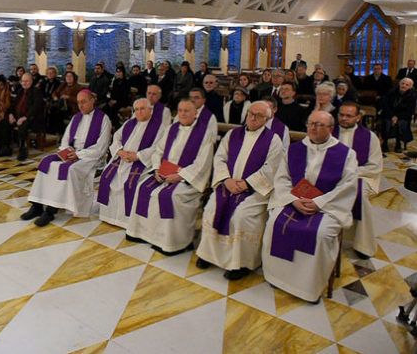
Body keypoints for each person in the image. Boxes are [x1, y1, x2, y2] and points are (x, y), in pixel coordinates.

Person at [261, 110, 357, 303]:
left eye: (319, 125)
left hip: (328, 207)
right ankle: (277, 277)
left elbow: (347, 185)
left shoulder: (346, 154)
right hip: (293, 201)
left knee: (320, 235)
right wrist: (292, 200)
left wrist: (318, 203)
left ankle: (308, 288)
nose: (313, 128)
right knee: (274, 224)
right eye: (311, 123)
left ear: (330, 128)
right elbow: (282, 178)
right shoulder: (294, 149)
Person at [196, 101, 283, 280]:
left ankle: (241, 263)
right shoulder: (233, 134)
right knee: (211, 209)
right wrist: (226, 180)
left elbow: (271, 168)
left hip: (254, 191)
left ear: (268, 118)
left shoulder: (273, 140)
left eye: (258, 115)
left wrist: (247, 184)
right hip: (227, 185)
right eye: (251, 113)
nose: (252, 117)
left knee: (241, 216)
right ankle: (208, 254)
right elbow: (220, 158)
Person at [126, 98, 216, 254]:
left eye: (187, 110)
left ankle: (172, 242)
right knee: (142, 188)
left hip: (186, 178)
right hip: (164, 173)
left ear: (196, 113)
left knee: (169, 196)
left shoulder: (205, 134)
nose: (182, 113)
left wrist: (180, 176)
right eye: (180, 110)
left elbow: (202, 164)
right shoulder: (171, 129)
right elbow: (158, 151)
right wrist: (156, 169)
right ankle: (144, 234)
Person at [24, 90, 111, 226]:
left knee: (65, 169)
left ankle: (51, 211)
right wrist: (67, 151)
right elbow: (65, 138)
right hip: (71, 152)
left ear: (92, 100)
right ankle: (37, 205)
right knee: (46, 163)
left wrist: (78, 155)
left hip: (90, 157)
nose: (80, 106)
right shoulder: (76, 117)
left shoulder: (103, 119)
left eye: (84, 102)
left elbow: (102, 147)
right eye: (78, 103)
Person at [97, 99, 164, 228]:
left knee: (130, 183)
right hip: (122, 159)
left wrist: (137, 156)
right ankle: (108, 216)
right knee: (108, 177)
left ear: (150, 110)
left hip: (141, 163)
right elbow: (116, 137)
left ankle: (126, 221)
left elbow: (157, 147)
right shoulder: (129, 123)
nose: (139, 112)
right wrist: (119, 151)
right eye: (136, 109)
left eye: (142, 108)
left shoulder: (159, 127)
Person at [334, 102, 381, 259]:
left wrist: (349, 173)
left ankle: (362, 244)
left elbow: (374, 166)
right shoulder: (328, 132)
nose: (344, 119)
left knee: (360, 198)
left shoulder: (370, 137)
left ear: (358, 117)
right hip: (330, 175)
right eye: (341, 115)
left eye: (349, 116)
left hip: (360, 176)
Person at [1, 73, 45, 161]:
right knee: (4, 122)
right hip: (18, 117)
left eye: (27, 81)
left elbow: (35, 107)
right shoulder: (20, 90)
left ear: (31, 81)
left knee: (23, 125)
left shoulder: (36, 91)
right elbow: (13, 105)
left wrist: (25, 117)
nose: (24, 83)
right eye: (23, 81)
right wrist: (10, 114)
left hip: (32, 119)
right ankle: (6, 147)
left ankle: (23, 150)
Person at [381, 77, 417, 152]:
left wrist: (397, 117)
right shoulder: (391, 92)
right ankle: (385, 142)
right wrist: (392, 116)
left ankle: (398, 143)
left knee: (400, 123)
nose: (404, 86)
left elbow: (409, 111)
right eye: (402, 83)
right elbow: (385, 105)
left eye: (407, 85)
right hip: (389, 114)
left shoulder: (412, 96)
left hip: (403, 116)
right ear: (399, 84)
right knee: (387, 122)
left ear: (410, 87)